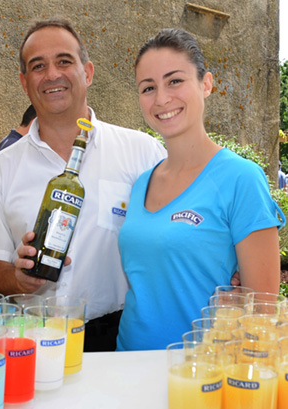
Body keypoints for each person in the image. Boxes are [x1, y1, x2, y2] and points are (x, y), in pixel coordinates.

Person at [0, 18, 167, 352]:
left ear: (88, 72)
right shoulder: (0, 168)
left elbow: (177, 236)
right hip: (33, 340)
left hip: (119, 339)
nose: (52, 74)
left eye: (64, 61)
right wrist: (20, 280)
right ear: (25, 83)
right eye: (38, 66)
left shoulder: (143, 152)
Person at [117, 28, 285, 351]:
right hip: (126, 365)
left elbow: (262, 311)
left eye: (175, 81)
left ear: (206, 84)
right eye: (148, 87)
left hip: (201, 375)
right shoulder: (141, 184)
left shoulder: (241, 179)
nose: (162, 98)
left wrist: (242, 308)